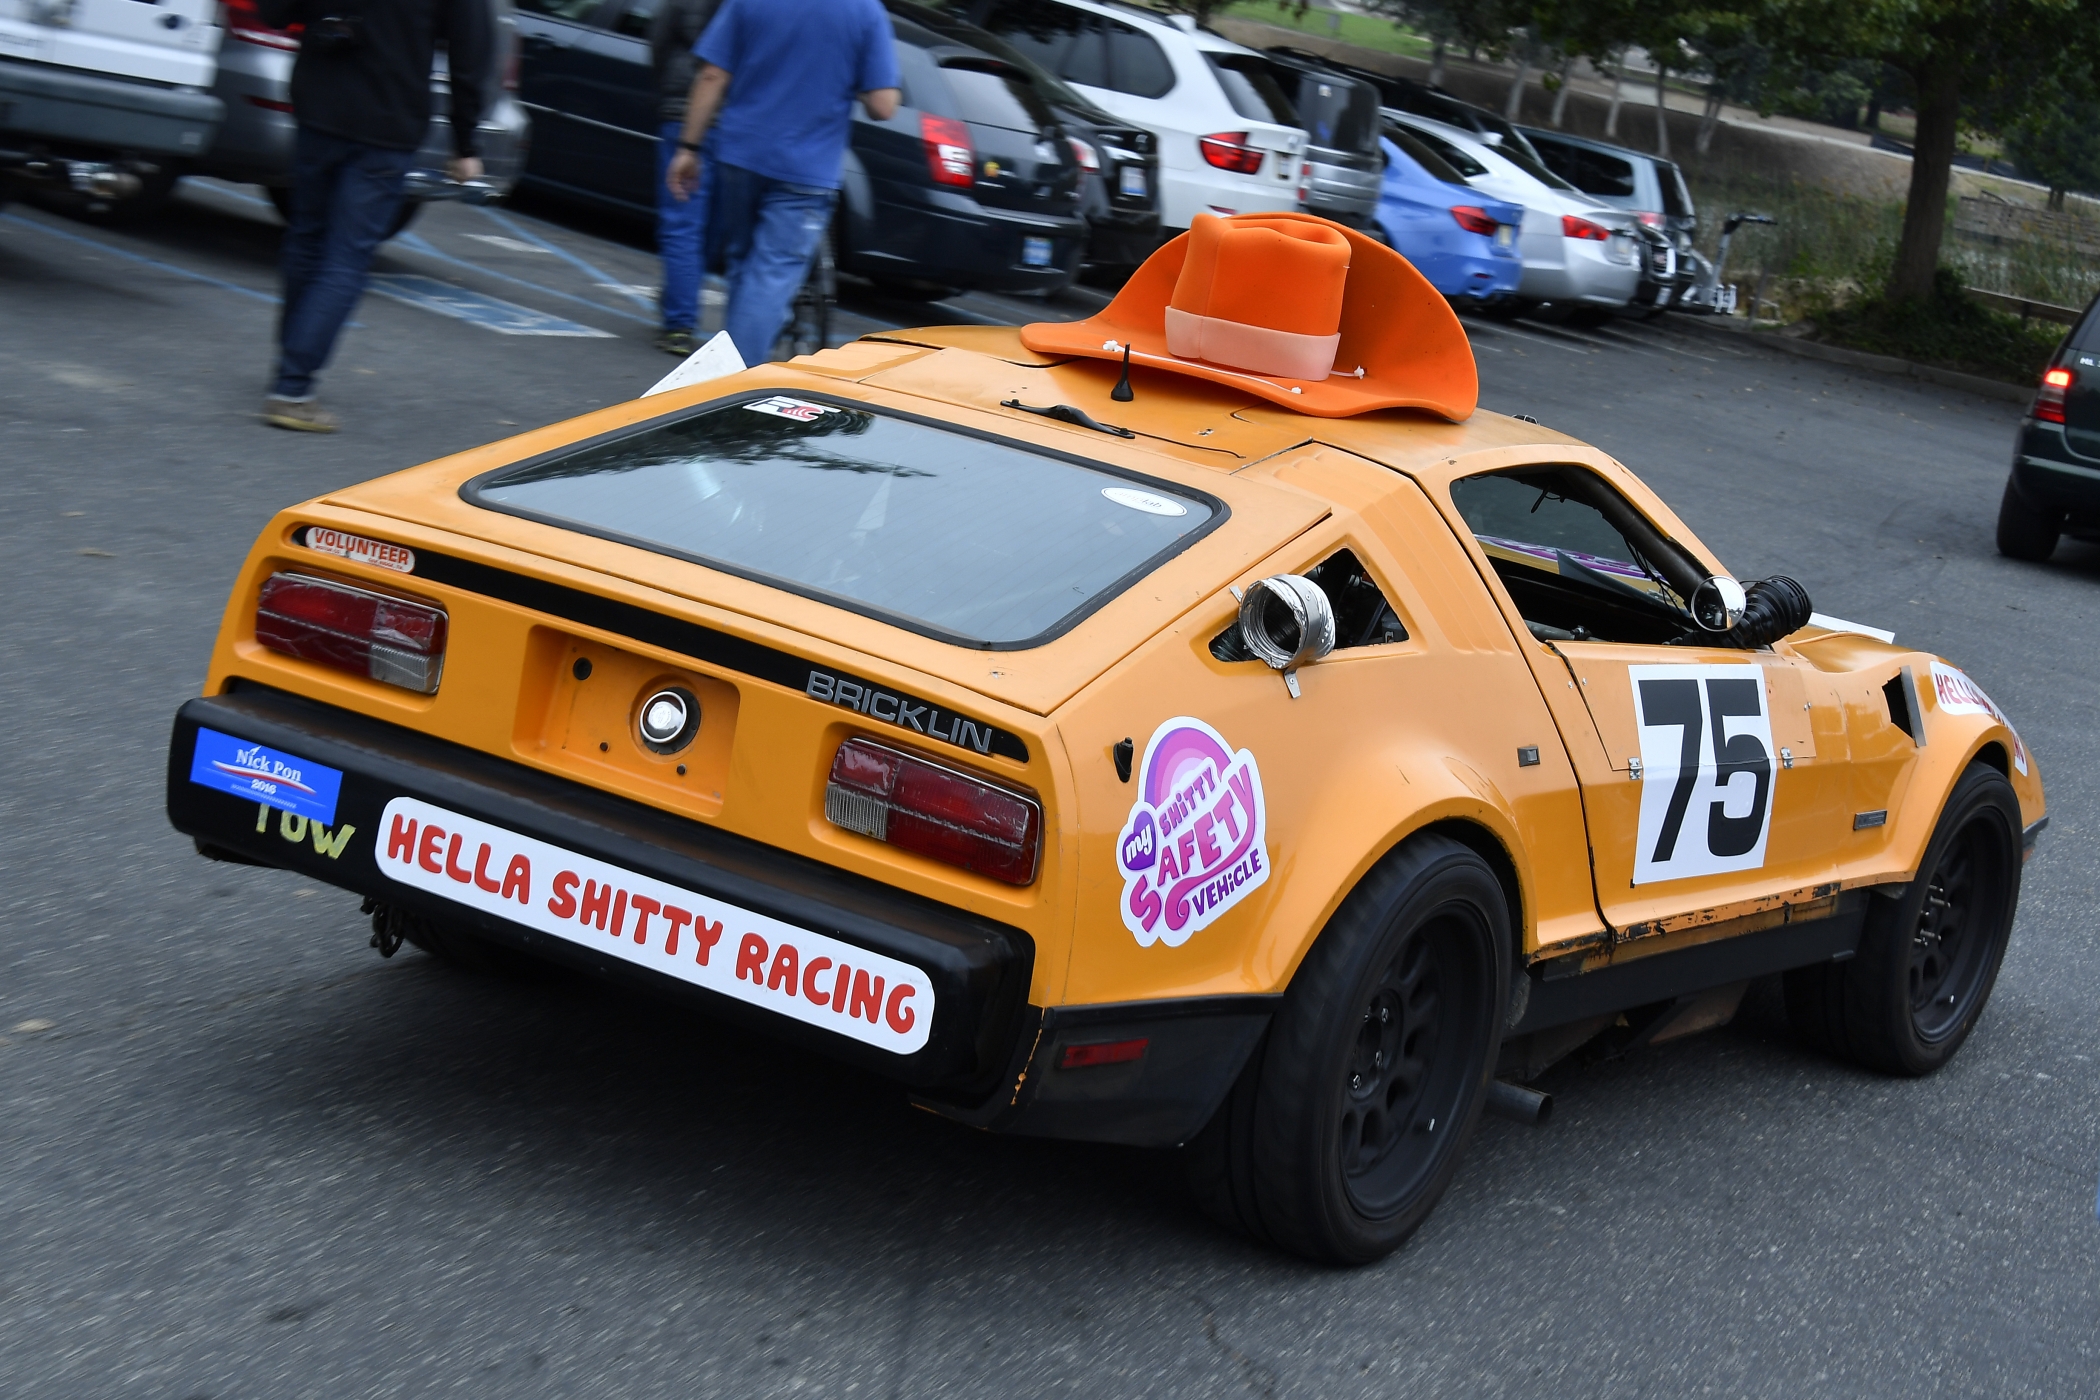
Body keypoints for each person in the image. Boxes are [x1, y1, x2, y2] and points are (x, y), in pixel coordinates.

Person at [257, 0, 493, 432]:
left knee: (306, 237)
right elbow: (472, 54)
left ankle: (289, 367)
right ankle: (293, 386)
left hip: (320, 102)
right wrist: (466, 143)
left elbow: (274, 10)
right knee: (346, 255)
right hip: (388, 118)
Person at [665, 0, 897, 366]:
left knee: (742, 264)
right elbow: (883, 105)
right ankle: (736, 380)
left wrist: (688, 147)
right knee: (771, 275)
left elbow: (712, 75)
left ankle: (734, 358)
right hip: (806, 168)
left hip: (741, 154)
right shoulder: (866, 11)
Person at [648, 0, 724, 357]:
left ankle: (679, 321)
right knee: (712, 224)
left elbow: (660, 38)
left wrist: (668, 86)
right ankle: (679, 296)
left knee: (682, 219)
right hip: (734, 118)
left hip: (684, 107)